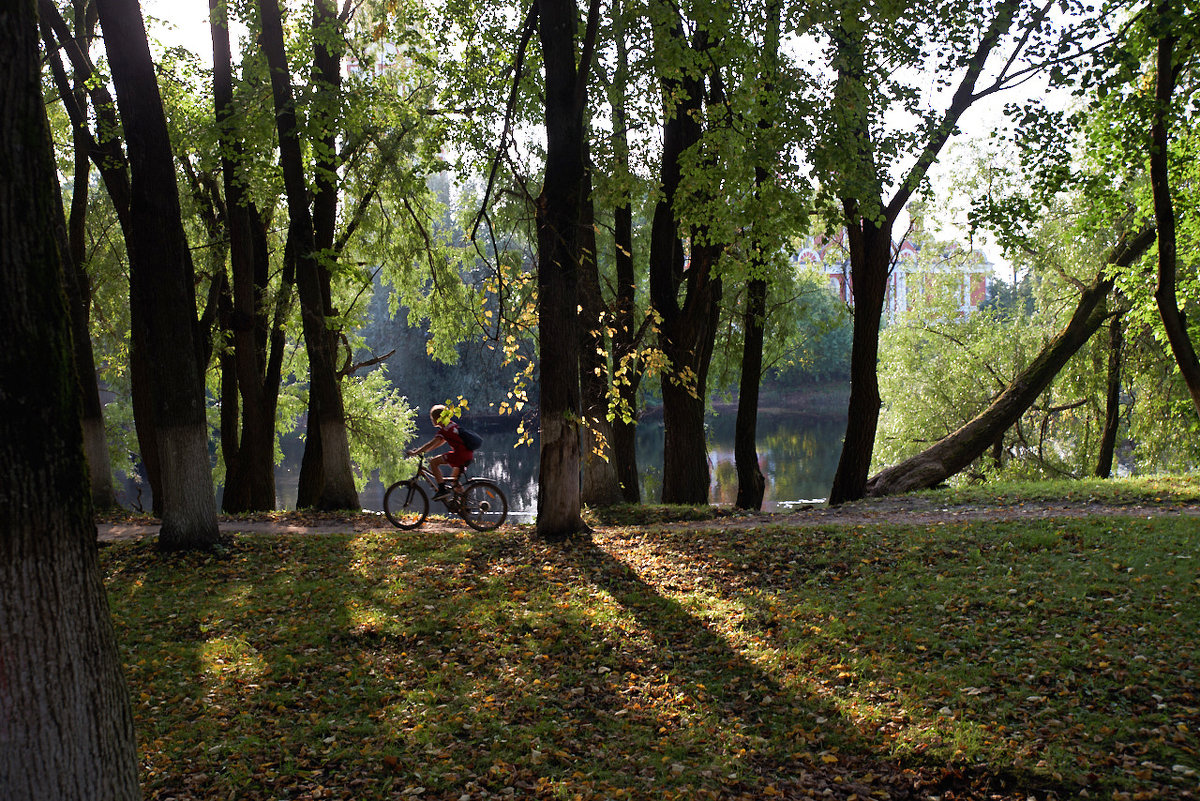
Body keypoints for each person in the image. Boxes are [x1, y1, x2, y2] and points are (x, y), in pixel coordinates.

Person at [406, 404, 474, 501]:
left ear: (438, 418)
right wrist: (424, 451)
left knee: (433, 462)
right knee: (454, 481)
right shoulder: (450, 425)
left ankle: (442, 489)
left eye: (432, 418)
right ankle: (464, 505)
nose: (432, 420)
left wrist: (415, 453)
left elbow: (432, 443)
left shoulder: (444, 430)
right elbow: (439, 443)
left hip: (460, 455)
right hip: (467, 454)